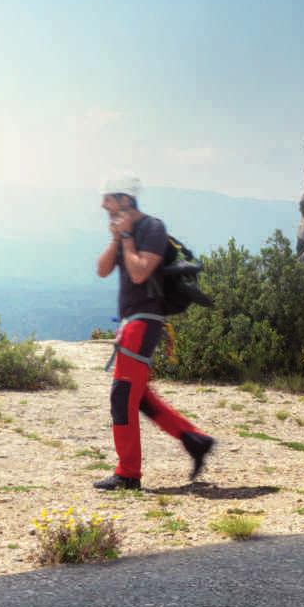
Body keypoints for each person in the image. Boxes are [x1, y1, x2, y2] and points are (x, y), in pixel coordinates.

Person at [93, 176, 215, 490]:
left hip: (144, 321)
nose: (103, 205)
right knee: (139, 397)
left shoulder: (152, 229)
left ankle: (128, 474)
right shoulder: (125, 232)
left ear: (125, 199)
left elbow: (138, 272)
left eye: (108, 198)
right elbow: (103, 269)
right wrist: (117, 239)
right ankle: (195, 440)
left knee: (122, 396)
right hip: (131, 322)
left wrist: (128, 239)